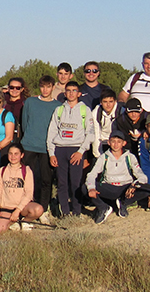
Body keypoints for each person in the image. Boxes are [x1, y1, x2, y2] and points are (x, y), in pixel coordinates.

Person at [46, 81, 95, 217]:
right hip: (60, 149)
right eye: (68, 90)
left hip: (76, 150)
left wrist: (81, 152)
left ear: (79, 93)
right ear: (65, 93)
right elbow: (51, 132)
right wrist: (51, 153)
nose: (71, 93)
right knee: (62, 183)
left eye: (74, 90)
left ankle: (77, 212)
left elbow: (90, 134)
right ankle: (65, 212)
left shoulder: (85, 110)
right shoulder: (59, 110)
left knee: (76, 182)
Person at [85, 131, 150, 224]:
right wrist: (91, 188)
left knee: (147, 188)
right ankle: (103, 208)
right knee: (85, 188)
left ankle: (123, 203)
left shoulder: (130, 157)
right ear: (108, 142)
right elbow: (92, 174)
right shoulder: (103, 157)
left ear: (124, 143)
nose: (116, 145)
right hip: (109, 186)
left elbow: (141, 176)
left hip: (125, 187)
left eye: (119, 142)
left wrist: (134, 185)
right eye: (113, 141)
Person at [19, 76, 59, 217]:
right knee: (29, 179)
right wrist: (27, 139)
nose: (45, 90)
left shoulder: (58, 106)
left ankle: (44, 209)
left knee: (46, 180)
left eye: (48, 87)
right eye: (42, 86)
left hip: (46, 148)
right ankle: (27, 207)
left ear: (53, 87)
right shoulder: (30, 102)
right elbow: (25, 122)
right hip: (29, 145)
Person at [0, 144, 43, 233]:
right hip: (6, 207)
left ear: (22, 155)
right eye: (10, 154)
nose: (13, 157)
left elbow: (29, 194)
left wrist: (17, 210)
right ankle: (13, 223)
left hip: (22, 207)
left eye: (16, 154)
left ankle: (25, 221)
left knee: (38, 209)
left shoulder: (27, 171)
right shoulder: (2, 171)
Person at [90, 89, 122, 157]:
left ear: (115, 102)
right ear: (101, 102)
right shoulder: (96, 113)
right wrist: (98, 155)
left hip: (117, 142)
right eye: (105, 102)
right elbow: (96, 133)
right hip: (102, 142)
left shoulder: (121, 112)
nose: (108, 105)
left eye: (111, 102)